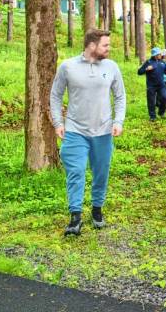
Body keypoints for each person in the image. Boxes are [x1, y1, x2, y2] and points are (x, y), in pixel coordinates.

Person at [50, 29, 126, 236]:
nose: (108, 49)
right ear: (92, 45)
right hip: (75, 130)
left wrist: (118, 121)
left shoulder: (111, 67)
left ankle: (97, 209)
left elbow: (120, 97)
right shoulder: (68, 67)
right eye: (105, 45)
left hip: (103, 131)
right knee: (75, 172)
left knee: (101, 172)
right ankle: (75, 217)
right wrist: (58, 122)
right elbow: (55, 96)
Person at [137, 47, 166, 121]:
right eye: (159, 54)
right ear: (155, 55)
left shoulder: (162, 62)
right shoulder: (148, 62)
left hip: (161, 85)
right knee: (151, 101)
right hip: (151, 86)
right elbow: (139, 72)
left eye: (160, 54)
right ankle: (152, 116)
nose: (161, 55)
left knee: (164, 97)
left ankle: (161, 113)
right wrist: (146, 69)